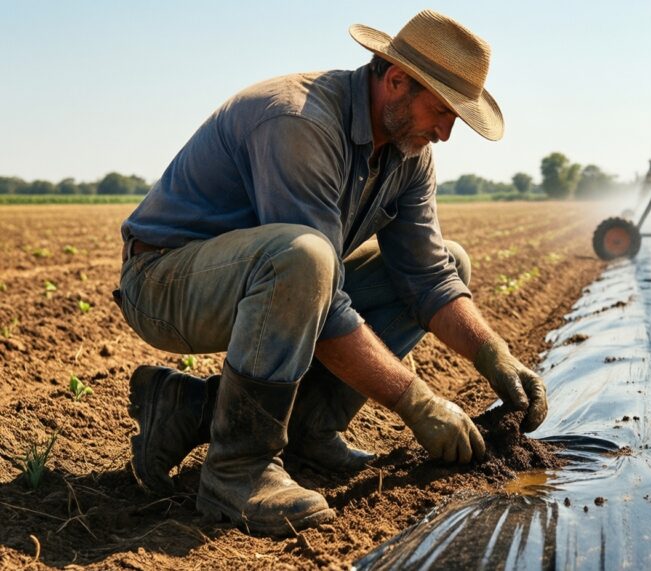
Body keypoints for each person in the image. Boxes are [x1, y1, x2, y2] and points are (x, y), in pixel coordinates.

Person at [113, 9, 547, 536]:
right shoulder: (299, 121)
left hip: (271, 276)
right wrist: (418, 402)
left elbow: (429, 277)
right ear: (395, 81)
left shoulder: (410, 155)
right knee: (306, 257)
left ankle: (283, 426)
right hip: (165, 281)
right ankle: (237, 470)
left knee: (450, 260)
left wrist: (495, 357)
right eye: (441, 112)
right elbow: (316, 289)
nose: (446, 133)